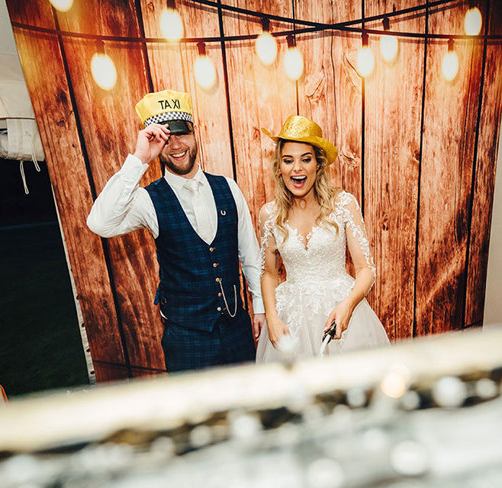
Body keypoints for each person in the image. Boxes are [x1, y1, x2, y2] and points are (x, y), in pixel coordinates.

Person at [87, 90, 265, 372]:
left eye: (181, 134)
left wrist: (260, 307)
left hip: (236, 330)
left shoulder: (228, 187)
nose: (175, 145)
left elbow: (251, 255)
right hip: (186, 339)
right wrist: (139, 158)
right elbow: (100, 223)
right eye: (164, 139)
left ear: (195, 134)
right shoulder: (148, 199)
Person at [255, 115, 389, 362]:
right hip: (291, 321)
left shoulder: (343, 205)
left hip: (341, 312)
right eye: (288, 160)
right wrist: (272, 317)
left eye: (306, 159)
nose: (297, 168)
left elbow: (365, 269)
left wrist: (347, 305)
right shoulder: (269, 214)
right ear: (279, 167)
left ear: (318, 164)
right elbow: (269, 273)